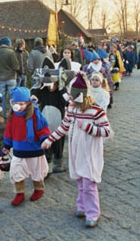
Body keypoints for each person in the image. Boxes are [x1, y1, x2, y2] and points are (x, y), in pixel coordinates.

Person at [41, 72, 112, 228]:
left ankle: (93, 212)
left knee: (89, 183)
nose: (71, 101)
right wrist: (50, 139)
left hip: (89, 152)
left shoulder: (96, 110)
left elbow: (107, 131)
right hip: (75, 150)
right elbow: (64, 125)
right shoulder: (72, 107)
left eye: (74, 97)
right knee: (80, 180)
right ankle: (82, 206)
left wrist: (88, 127)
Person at [3, 87, 50, 206]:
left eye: (21, 104)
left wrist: (44, 139)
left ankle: (38, 189)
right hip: (19, 150)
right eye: (16, 103)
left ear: (28, 103)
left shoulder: (35, 115)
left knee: (37, 171)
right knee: (16, 172)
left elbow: (42, 127)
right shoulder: (13, 116)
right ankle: (19, 193)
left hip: (34, 149)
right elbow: (9, 131)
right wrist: (7, 145)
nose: (18, 106)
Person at [31, 68, 72, 174]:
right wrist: (38, 84)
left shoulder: (60, 92)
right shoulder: (43, 91)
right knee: (45, 142)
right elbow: (34, 96)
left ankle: (58, 163)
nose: (49, 86)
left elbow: (67, 101)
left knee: (58, 144)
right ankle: (47, 163)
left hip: (58, 123)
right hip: (45, 123)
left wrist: (62, 88)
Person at [0, 37, 19, 118]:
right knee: (12, 98)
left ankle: (3, 116)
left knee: (1, 98)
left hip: (0, 79)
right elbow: (16, 66)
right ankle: (13, 115)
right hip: (11, 78)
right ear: (8, 44)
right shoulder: (11, 53)